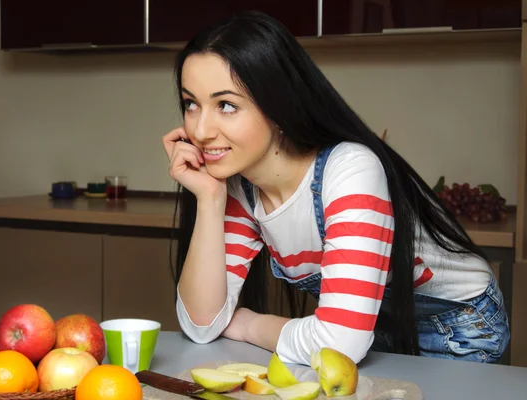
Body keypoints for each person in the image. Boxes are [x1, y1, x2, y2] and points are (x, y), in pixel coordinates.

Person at [161, 10, 510, 366]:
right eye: (191, 104)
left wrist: (247, 323)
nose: (201, 131)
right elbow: (202, 324)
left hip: (456, 324)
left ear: (278, 106)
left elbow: (337, 344)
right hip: (372, 328)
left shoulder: (349, 170)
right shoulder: (240, 187)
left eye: (226, 105)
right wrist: (209, 198)